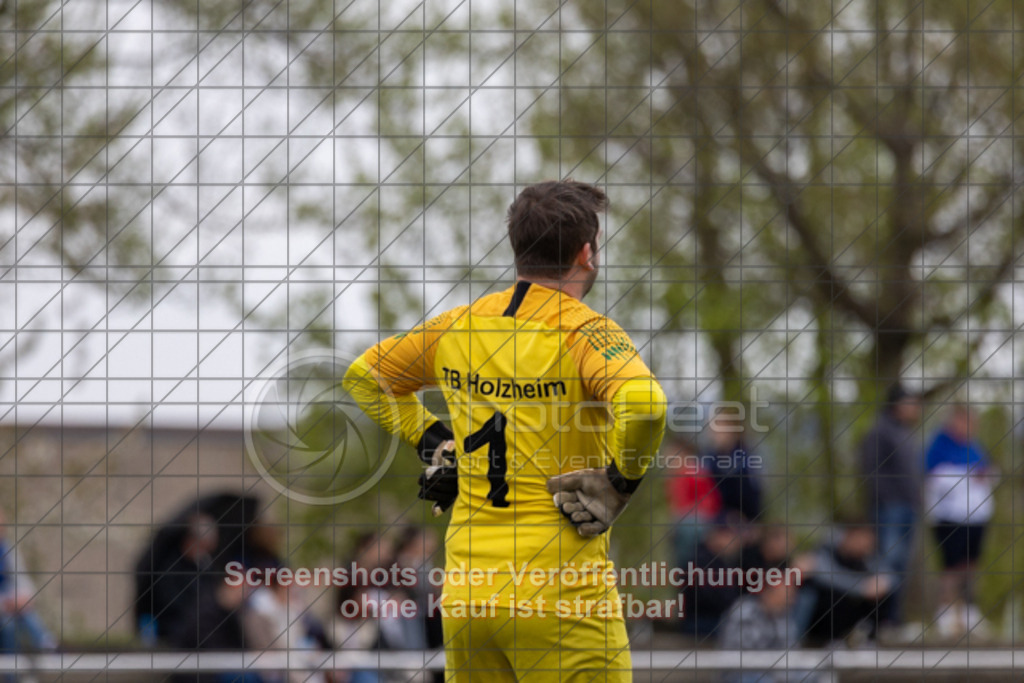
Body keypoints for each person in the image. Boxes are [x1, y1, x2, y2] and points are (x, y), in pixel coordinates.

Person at [344, 180, 667, 682]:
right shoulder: (586, 332)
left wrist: (435, 441)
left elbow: (365, 376)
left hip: (467, 595)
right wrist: (620, 480)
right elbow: (646, 406)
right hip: (561, 595)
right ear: (586, 253)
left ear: (519, 249)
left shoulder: (461, 325)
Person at [924, 404, 996, 638]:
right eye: (965, 422)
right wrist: (966, 475)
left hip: (977, 516)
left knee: (970, 564)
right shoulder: (938, 445)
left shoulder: (975, 446)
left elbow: (988, 472)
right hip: (949, 517)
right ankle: (945, 614)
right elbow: (934, 478)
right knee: (950, 566)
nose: (969, 427)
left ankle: (969, 613)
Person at [858, 383, 923, 630]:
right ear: (897, 404)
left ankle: (894, 619)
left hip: (908, 508)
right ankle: (880, 619)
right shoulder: (879, 431)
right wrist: (887, 499)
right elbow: (871, 470)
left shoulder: (906, 433)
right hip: (888, 509)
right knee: (886, 562)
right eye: (911, 403)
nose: (915, 408)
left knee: (902, 564)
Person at [795, 521, 892, 648]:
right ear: (849, 536)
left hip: (852, 614)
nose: (866, 546)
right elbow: (823, 576)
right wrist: (861, 588)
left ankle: (867, 638)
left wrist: (878, 584)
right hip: (820, 617)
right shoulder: (826, 551)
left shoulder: (866, 559)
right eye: (862, 540)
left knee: (880, 596)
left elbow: (888, 578)